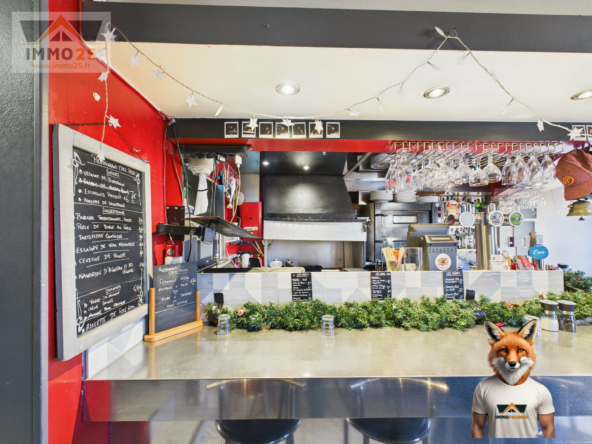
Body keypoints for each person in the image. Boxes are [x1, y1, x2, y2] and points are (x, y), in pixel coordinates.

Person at [471, 320, 555, 438]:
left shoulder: (540, 391)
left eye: (520, 350)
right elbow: (477, 427)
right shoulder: (483, 388)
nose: (512, 360)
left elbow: (548, 428)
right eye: (504, 350)